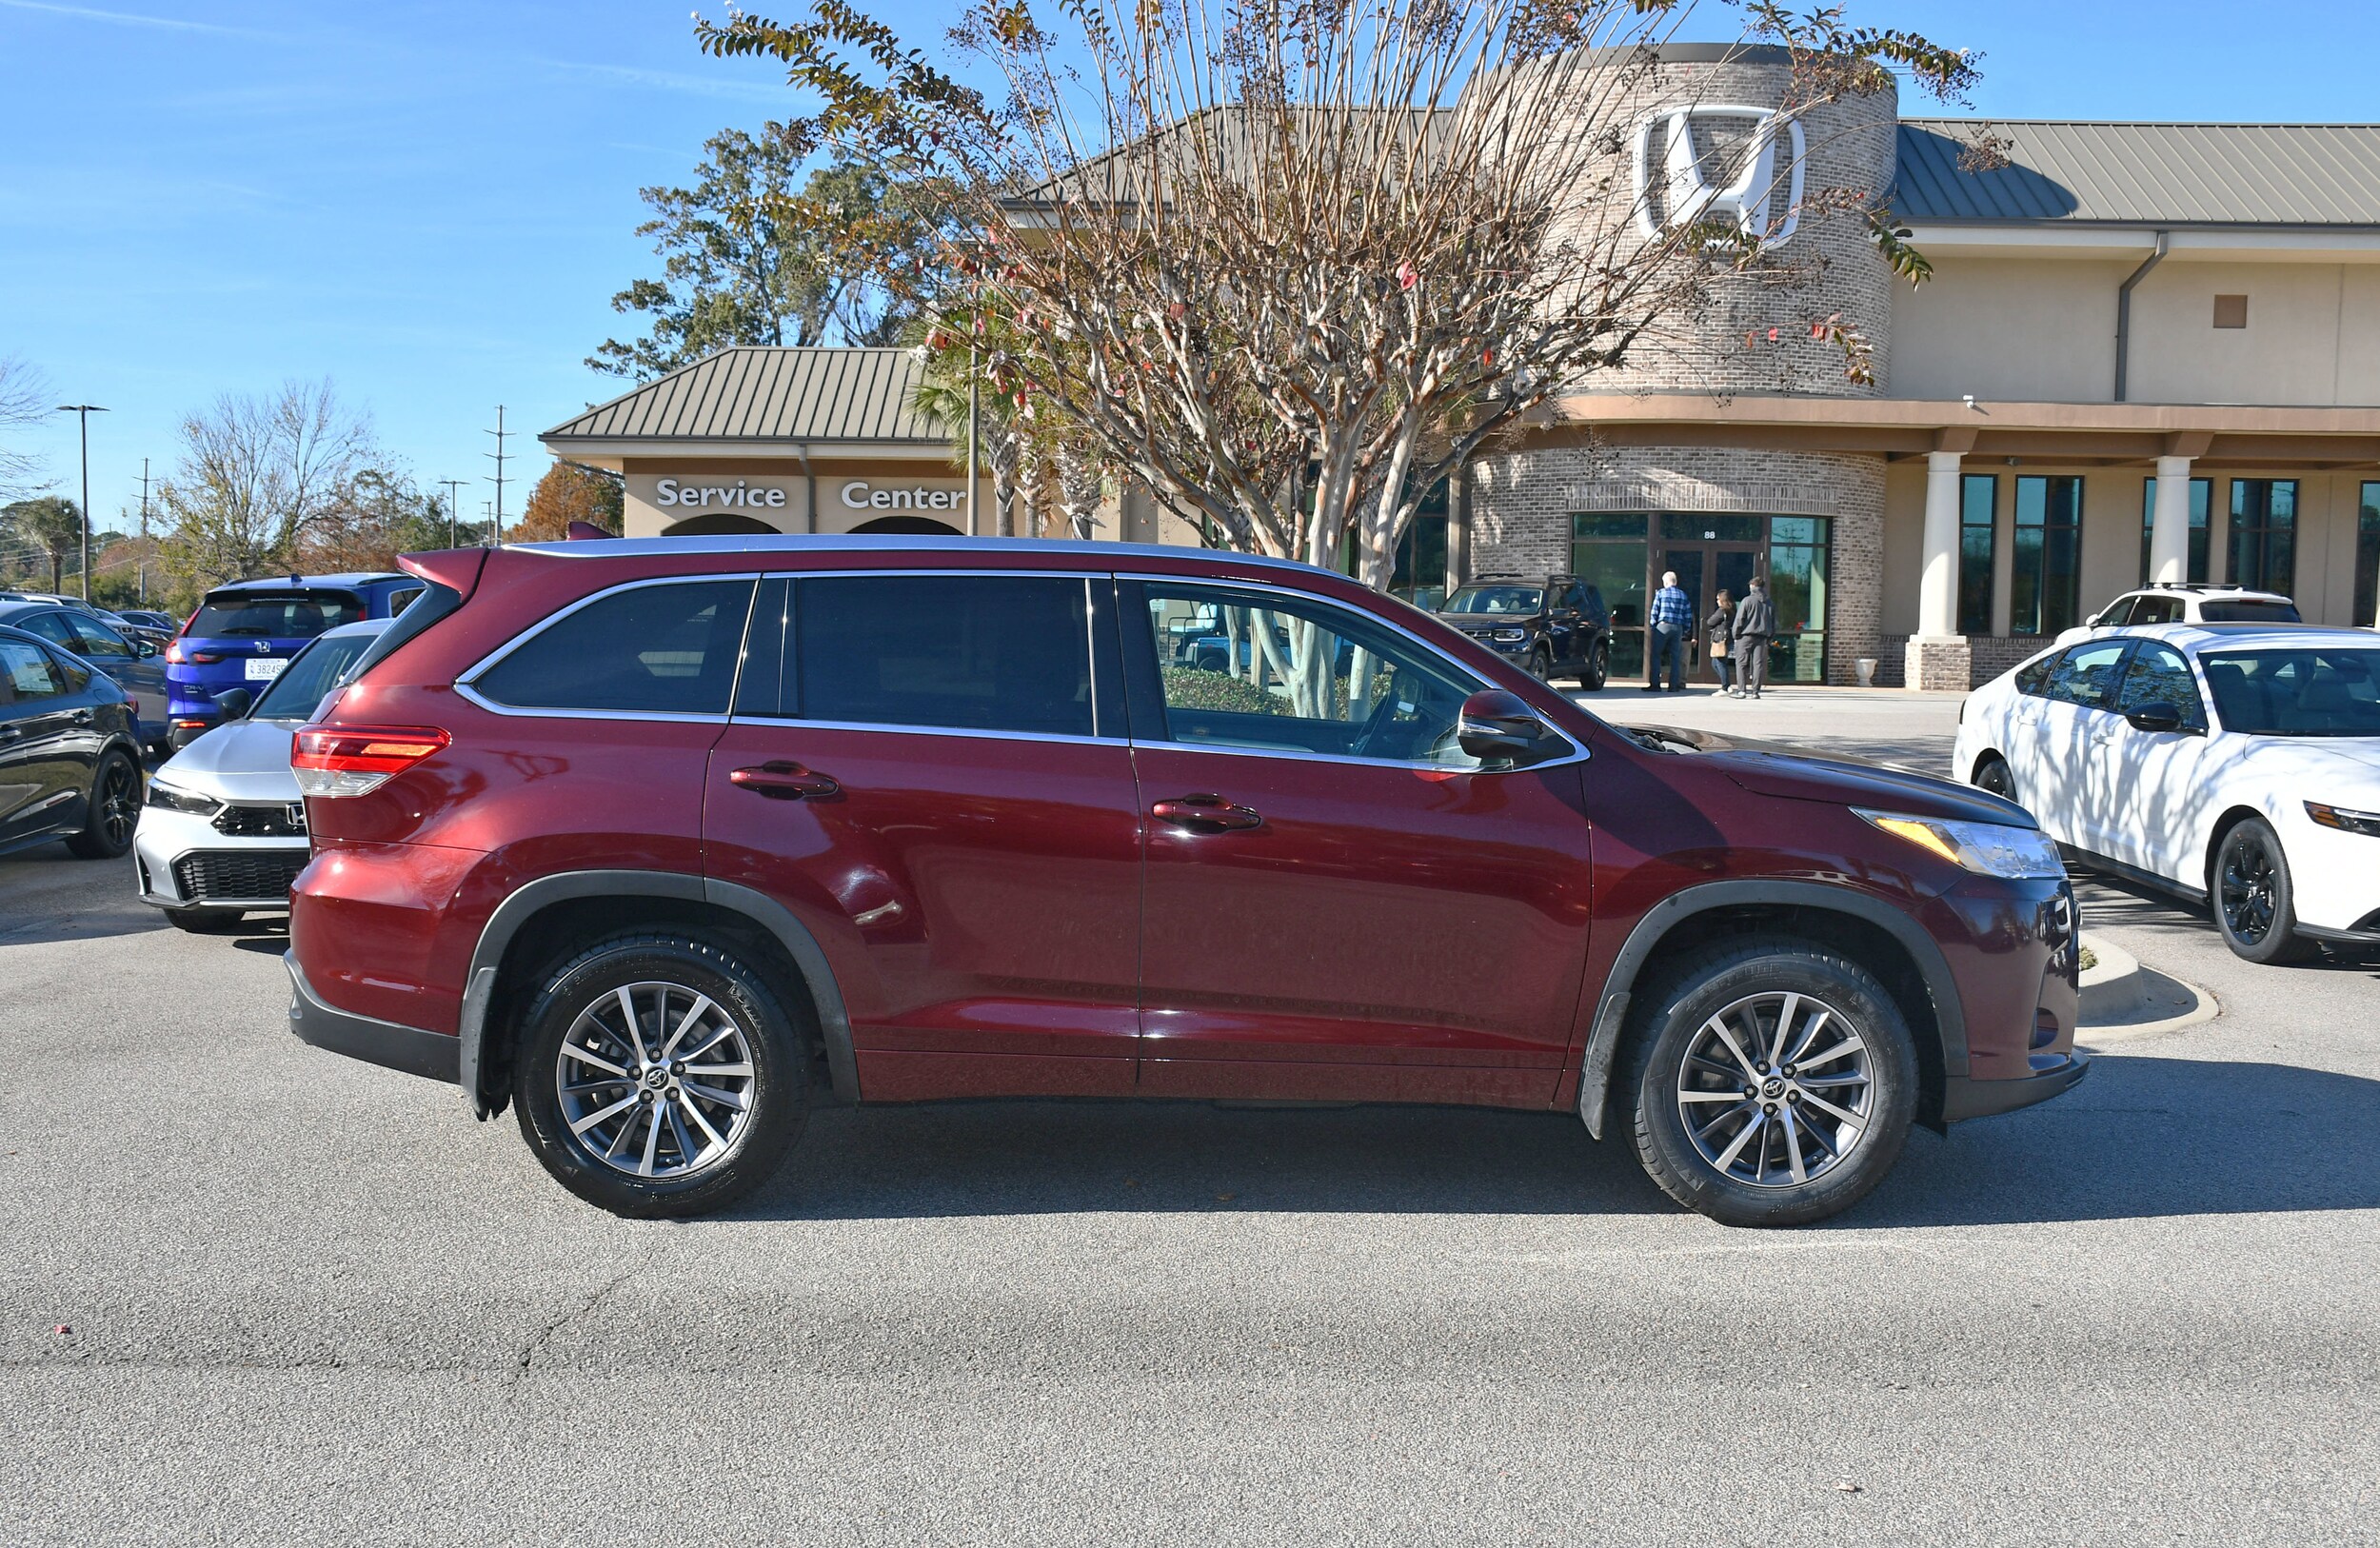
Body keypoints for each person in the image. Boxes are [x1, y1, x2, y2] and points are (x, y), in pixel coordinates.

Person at [1648, 569, 1693, 692]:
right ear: (1675, 581)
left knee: (1656, 655)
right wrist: (1685, 629)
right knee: (1675, 657)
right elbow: (1688, 614)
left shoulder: (1661, 593)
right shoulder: (1683, 595)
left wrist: (1653, 626)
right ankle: (1673, 686)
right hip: (1677, 627)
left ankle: (1655, 684)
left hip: (1663, 626)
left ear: (1666, 582)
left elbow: (1655, 610)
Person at [1733, 576, 1775, 698]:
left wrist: (1736, 634)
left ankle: (1742, 690)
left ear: (1752, 586)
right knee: (1758, 664)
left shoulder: (1747, 600)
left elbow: (1740, 619)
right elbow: (1772, 622)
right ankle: (1755, 691)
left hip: (1746, 635)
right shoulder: (1769, 603)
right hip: (1762, 637)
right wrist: (1770, 637)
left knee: (1741, 663)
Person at [1706, 588, 1735, 695]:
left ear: (1723, 600)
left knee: (1720, 663)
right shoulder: (1732, 611)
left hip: (1721, 639)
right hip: (1728, 638)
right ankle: (1727, 684)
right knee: (1715, 663)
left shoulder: (1722, 611)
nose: (1717, 601)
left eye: (1718, 599)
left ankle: (1725, 687)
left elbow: (1710, 622)